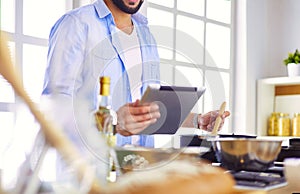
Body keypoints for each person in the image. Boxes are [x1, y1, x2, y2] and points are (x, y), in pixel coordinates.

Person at [42, 0, 229, 149]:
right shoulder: (76, 24)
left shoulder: (146, 36)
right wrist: (113, 122)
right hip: (88, 172)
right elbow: (54, 106)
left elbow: (149, 111)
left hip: (140, 168)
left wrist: (198, 120)